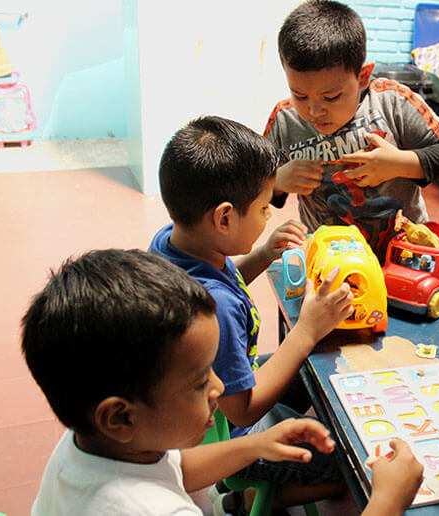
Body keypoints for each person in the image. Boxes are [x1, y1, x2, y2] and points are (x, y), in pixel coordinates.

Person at [24, 250, 423, 516]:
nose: (219, 387)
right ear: (119, 417)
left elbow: (173, 467)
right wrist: (385, 502)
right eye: (199, 383)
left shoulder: (94, 443)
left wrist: (254, 445)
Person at [149, 115, 354, 512]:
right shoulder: (217, 308)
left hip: (222, 385)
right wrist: (306, 331)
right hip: (231, 433)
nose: (268, 216)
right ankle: (243, 498)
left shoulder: (173, 242)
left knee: (311, 373)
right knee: (348, 458)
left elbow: (223, 283)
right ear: (225, 217)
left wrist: (261, 255)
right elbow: (244, 408)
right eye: (263, 208)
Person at [264, 0, 439, 255]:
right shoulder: (284, 119)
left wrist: (399, 163)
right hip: (330, 259)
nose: (314, 111)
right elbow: (255, 189)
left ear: (363, 76)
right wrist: (278, 181)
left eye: (332, 96)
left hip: (403, 253)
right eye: (300, 95)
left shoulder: (392, 101)